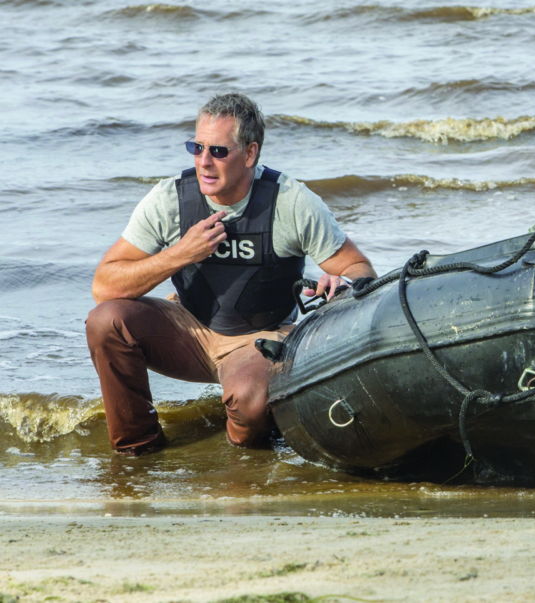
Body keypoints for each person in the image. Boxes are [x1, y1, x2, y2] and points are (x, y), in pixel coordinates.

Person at [86, 93, 376, 456]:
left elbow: (359, 269)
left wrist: (342, 284)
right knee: (105, 322)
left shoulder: (291, 201)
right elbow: (103, 286)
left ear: (250, 154)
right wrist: (179, 254)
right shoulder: (169, 199)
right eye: (196, 147)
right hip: (187, 327)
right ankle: (138, 453)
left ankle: (241, 460)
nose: (204, 162)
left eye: (218, 152)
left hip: (259, 338)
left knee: (251, 401)